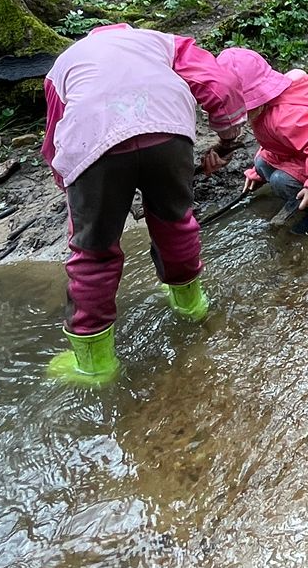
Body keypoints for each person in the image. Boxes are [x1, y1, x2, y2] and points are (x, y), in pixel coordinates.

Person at [41, 24, 245, 385]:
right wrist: (227, 141)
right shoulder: (165, 43)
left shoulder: (65, 63)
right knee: (175, 221)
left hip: (94, 144)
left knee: (94, 251)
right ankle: (191, 305)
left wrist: (67, 182)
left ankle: (95, 365)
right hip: (166, 131)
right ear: (129, 31)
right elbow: (220, 85)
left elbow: (56, 130)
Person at [214, 45, 308, 232]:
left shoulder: (283, 117)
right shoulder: (263, 111)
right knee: (261, 163)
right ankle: (299, 193)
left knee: (280, 180)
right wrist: (256, 172)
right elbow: (278, 145)